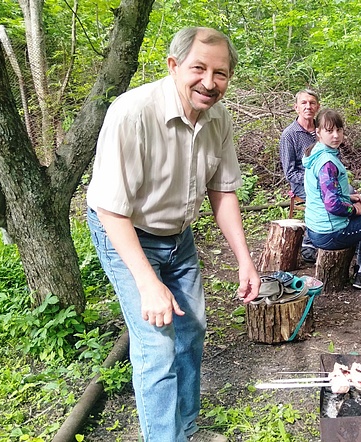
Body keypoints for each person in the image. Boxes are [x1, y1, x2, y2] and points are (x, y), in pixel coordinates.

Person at [86, 27, 260, 442]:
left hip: (178, 237)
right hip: (125, 230)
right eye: (198, 68)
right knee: (156, 346)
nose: (209, 82)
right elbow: (110, 208)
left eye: (221, 73)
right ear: (173, 65)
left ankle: (184, 427)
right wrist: (148, 283)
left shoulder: (219, 118)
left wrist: (245, 259)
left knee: (193, 328)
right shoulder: (132, 113)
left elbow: (222, 189)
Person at [303, 109, 361, 290]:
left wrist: (349, 197)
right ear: (318, 132)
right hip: (330, 233)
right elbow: (333, 205)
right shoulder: (326, 162)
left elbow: (325, 192)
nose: (336, 136)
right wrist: (353, 209)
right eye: (329, 131)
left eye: (339, 130)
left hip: (316, 228)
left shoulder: (317, 152)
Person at [279, 89, 321, 263]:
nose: (308, 106)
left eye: (312, 103)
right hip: (302, 183)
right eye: (304, 103)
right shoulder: (289, 135)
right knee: (321, 197)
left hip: (326, 177)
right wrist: (313, 181)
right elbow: (289, 172)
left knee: (348, 193)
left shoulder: (322, 128)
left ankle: (344, 238)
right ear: (296, 107)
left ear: (317, 107)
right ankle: (309, 243)